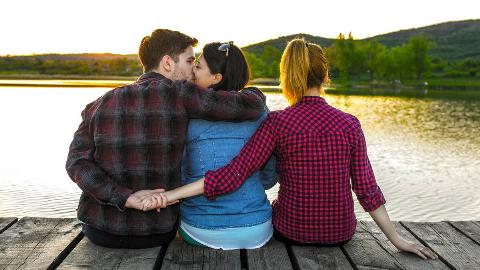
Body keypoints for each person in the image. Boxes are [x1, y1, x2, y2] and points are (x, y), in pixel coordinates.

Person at [144, 38, 438, 259]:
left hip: (293, 232)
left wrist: (168, 196)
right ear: (324, 77)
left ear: (287, 77)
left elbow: (232, 176)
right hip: (341, 233)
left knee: (274, 206)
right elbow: (366, 189)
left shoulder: (279, 122)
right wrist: (397, 240)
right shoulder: (350, 124)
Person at [65, 29, 266, 249]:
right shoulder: (181, 94)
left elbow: (76, 163)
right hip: (157, 232)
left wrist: (127, 198)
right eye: (190, 60)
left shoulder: (98, 104)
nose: (192, 69)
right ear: (168, 63)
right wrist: (255, 93)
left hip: (100, 231)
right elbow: (246, 106)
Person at [178, 41, 277, 249]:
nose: (193, 69)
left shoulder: (186, 114)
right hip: (257, 228)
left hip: (201, 228)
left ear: (216, 78)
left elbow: (180, 174)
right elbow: (268, 178)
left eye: (198, 65)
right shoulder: (260, 112)